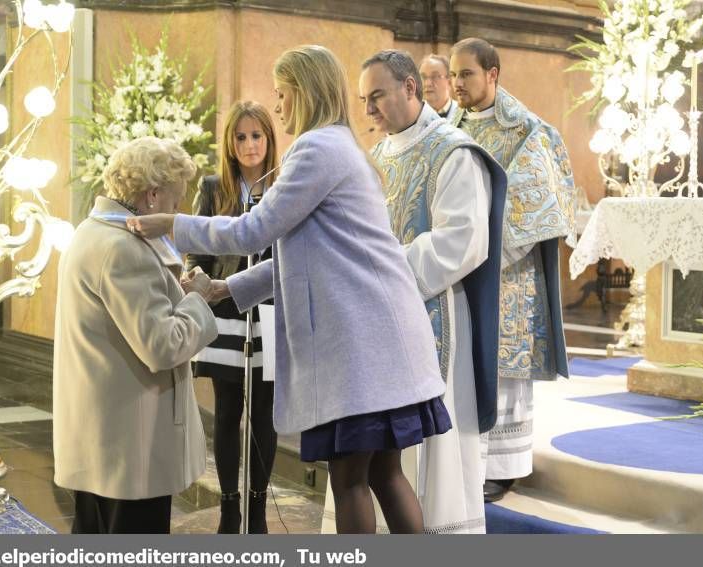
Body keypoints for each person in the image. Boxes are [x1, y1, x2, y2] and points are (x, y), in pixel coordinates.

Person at [127, 44, 451, 534]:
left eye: (282, 94)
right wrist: (223, 287)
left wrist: (173, 223)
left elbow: (253, 231)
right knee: (384, 473)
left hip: (363, 344)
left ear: (305, 92)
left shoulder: (318, 148)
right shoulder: (341, 146)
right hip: (383, 336)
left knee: (351, 479)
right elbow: (297, 255)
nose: (277, 107)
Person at [357, 49, 507, 534]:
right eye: (363, 100)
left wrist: (382, 270)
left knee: (431, 455)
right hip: (379, 322)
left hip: (435, 316)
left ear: (409, 88)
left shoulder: (453, 151)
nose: (369, 111)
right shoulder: (377, 156)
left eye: (376, 96)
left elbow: (464, 240)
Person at [53, 137, 219, 533]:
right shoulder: (122, 248)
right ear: (152, 195)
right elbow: (162, 346)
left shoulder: (92, 233)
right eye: (175, 201)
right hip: (131, 447)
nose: (175, 210)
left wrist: (175, 290)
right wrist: (197, 299)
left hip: (104, 439)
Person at [449, 38, 575, 502]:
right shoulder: (447, 127)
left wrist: (480, 250)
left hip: (507, 272)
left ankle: (504, 466)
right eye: (455, 75)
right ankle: (466, 457)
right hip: (459, 271)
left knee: (502, 367)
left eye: (467, 74)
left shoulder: (525, 129)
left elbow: (539, 203)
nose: (458, 84)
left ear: (493, 74)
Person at [185, 101, 279, 534]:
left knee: (264, 413)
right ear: (229, 143)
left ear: (269, 139)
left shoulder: (282, 187)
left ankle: (258, 507)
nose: (249, 145)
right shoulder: (214, 187)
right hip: (224, 311)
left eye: (256, 135)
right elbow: (198, 248)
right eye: (240, 137)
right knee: (226, 412)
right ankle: (228, 504)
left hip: (269, 313)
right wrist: (196, 279)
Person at [419, 53, 458, 122]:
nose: (427, 83)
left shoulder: (461, 113)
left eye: (435, 76)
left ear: (449, 81)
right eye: (423, 77)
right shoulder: (414, 115)